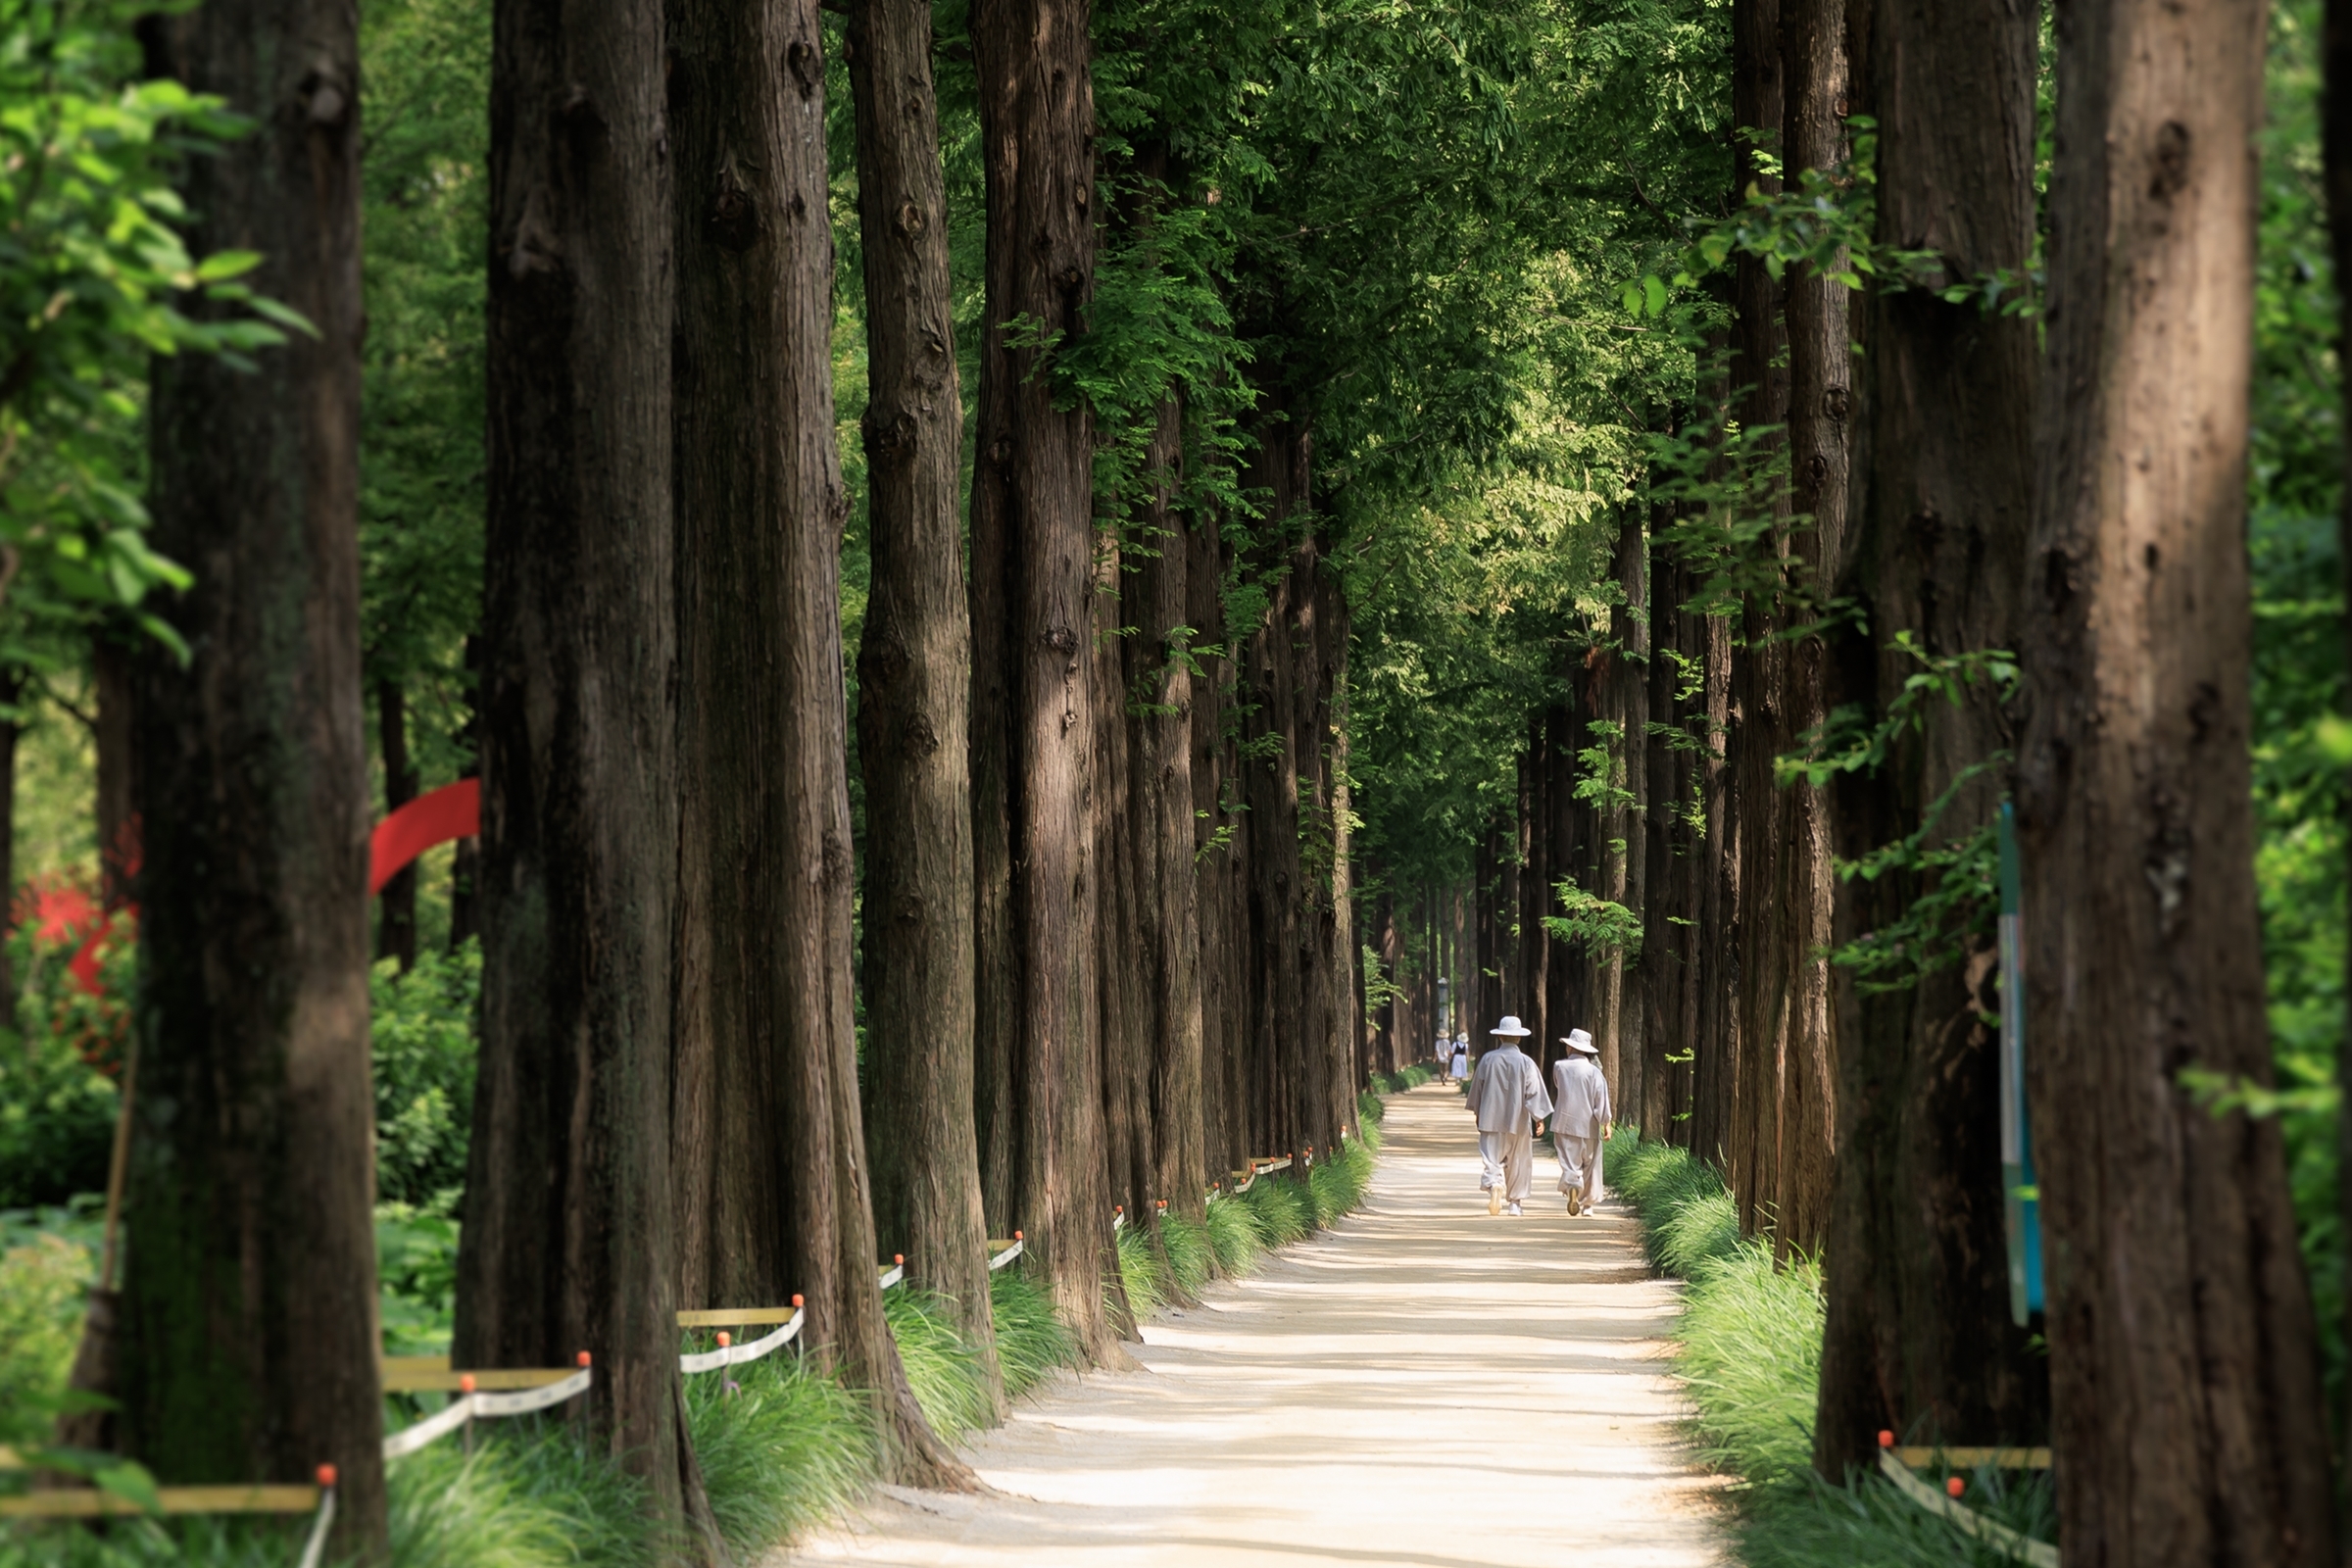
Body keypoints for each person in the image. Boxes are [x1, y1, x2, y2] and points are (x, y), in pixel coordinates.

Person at [1468, 1016, 1551, 1216]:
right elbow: (1534, 1092)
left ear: (1501, 1037)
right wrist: (1538, 1118)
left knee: (1491, 1158)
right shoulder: (1526, 1062)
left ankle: (1495, 1183)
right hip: (1519, 1120)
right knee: (1519, 1160)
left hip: (1490, 1117)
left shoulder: (1488, 1059)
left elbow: (1477, 1088)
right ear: (1519, 1039)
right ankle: (1515, 1203)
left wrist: (1478, 1112)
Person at [1550, 1028, 1613, 1215]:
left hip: (1564, 1122)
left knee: (1569, 1162)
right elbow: (1600, 1100)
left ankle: (1572, 1186)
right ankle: (1587, 1205)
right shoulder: (1595, 1073)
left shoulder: (1559, 1067)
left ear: (1570, 1047)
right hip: (1589, 1125)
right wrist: (1606, 1123)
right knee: (1591, 1164)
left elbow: (1557, 1085)